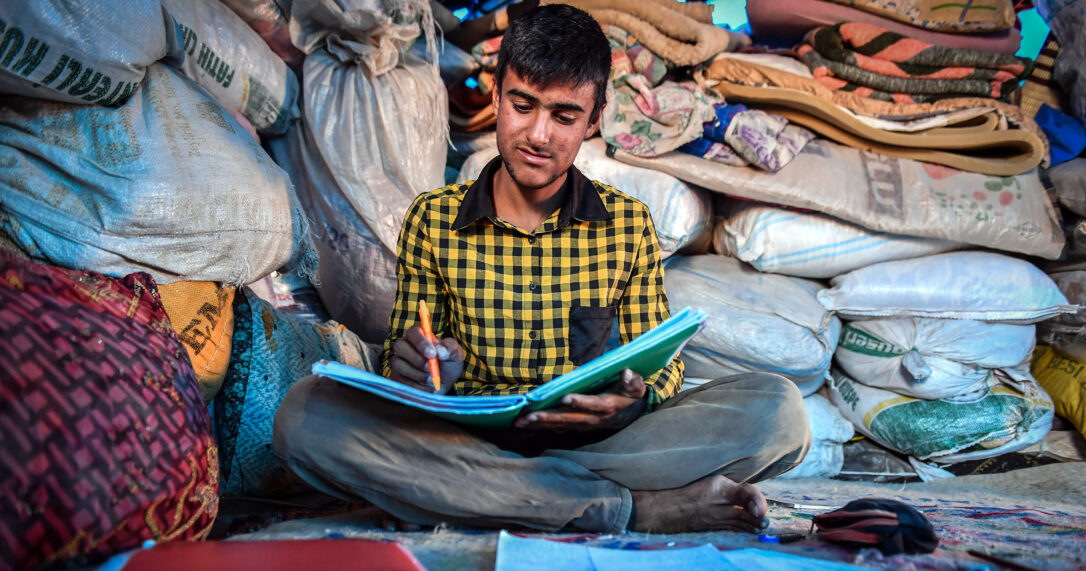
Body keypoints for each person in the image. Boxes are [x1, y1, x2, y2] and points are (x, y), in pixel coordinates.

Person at [274, 4, 809, 534]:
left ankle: (489, 493)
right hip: (465, 441)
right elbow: (405, 359)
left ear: (595, 118)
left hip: (607, 447)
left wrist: (633, 400)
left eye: (564, 116)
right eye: (522, 106)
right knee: (304, 416)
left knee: (780, 412)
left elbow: (663, 369)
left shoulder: (628, 226)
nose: (538, 135)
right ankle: (633, 508)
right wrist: (421, 368)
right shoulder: (431, 219)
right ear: (497, 95)